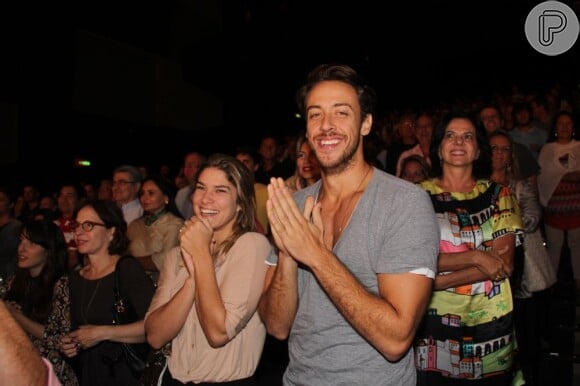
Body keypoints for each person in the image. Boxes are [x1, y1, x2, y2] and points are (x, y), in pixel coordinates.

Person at [259, 63, 439, 385]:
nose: (326, 126)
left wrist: (314, 252)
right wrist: (288, 253)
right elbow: (277, 326)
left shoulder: (405, 202)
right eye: (315, 114)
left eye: (341, 112)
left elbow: (396, 340)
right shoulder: (295, 206)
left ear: (366, 123)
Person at [413, 112, 524, 385]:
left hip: (491, 331)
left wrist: (435, 281)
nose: (458, 142)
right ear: (438, 148)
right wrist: (476, 257)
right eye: (450, 135)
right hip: (433, 332)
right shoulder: (414, 196)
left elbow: (503, 264)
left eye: (468, 136)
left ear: (477, 151)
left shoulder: (500, 195)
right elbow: (411, 258)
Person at [145, 153, 272, 385]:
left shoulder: (252, 245)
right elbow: (155, 335)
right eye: (201, 187)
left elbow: (218, 332)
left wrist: (201, 257)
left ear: (241, 204)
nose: (205, 199)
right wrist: (192, 280)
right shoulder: (177, 255)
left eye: (220, 190)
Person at [59, 200, 155, 386]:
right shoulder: (76, 277)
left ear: (111, 232)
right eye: (76, 225)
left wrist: (102, 333)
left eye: (88, 225)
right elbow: (81, 330)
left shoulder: (127, 269)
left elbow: (153, 326)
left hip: (126, 375)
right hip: (89, 375)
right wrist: (70, 343)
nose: (78, 232)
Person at [489, 130, 557, 385]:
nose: (499, 154)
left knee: (528, 335)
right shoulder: (477, 186)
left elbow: (531, 218)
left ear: (510, 156)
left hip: (524, 274)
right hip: (490, 276)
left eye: (504, 149)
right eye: (494, 148)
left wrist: (496, 228)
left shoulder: (520, 185)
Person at [4, 220, 79, 385]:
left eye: (30, 243)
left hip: (50, 370)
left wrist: (16, 316)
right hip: (20, 365)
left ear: (48, 251)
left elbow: (59, 338)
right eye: (21, 241)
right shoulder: (14, 281)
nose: (21, 248)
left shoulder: (62, 284)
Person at [537, 111, 580, 296]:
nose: (564, 127)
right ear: (555, 127)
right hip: (554, 208)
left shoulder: (579, 147)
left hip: (576, 207)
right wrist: (566, 176)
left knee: (577, 246)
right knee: (554, 247)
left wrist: (566, 176)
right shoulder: (547, 150)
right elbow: (542, 177)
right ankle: (550, 286)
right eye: (560, 123)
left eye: (568, 123)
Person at [127, 174, 184, 284]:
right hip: (132, 282)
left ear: (166, 198)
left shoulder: (175, 224)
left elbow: (164, 260)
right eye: (142, 193)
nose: (144, 198)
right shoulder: (134, 225)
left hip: (161, 285)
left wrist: (131, 263)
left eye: (151, 193)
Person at [0, 299, 63, 386]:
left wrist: (14, 315)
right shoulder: (11, 286)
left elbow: (58, 338)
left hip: (48, 364)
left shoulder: (61, 288)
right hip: (19, 358)